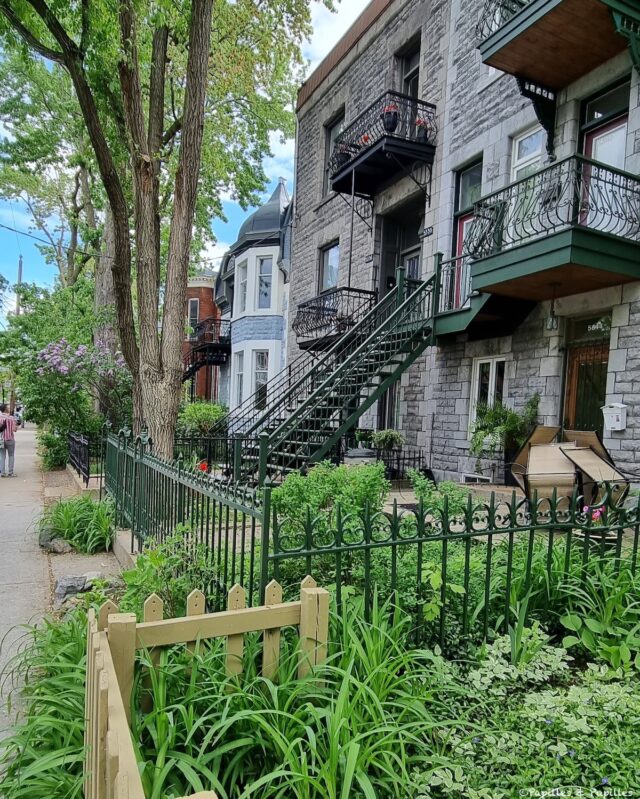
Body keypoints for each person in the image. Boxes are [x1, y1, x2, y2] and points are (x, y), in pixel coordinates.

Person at [0, 403, 17, 478]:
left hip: (1, 439)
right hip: (10, 439)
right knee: (11, 455)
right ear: (6, 409)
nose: (10, 408)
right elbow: (14, 429)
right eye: (8, 407)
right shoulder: (11, 418)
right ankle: (10, 472)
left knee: (2, 456)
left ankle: (2, 473)